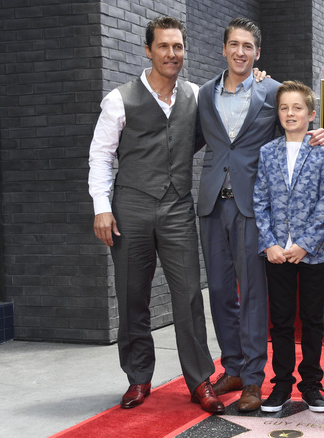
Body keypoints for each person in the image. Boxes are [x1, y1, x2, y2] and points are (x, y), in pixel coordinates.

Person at [87, 16, 223, 413]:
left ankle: (200, 382)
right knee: (132, 298)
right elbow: (99, 155)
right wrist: (102, 208)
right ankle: (138, 379)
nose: (171, 54)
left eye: (178, 47)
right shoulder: (119, 98)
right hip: (130, 207)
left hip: (178, 207)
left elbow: (227, 122)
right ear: (148, 50)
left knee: (189, 299)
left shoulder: (196, 96)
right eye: (163, 46)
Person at [195, 17, 324, 412]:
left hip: (252, 205)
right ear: (223, 49)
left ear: (257, 52)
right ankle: (232, 367)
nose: (240, 52)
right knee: (219, 291)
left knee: (252, 293)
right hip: (210, 202)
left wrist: (319, 135)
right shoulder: (203, 94)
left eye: (248, 46)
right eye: (234, 44)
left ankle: (254, 378)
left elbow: (296, 120)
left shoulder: (272, 91)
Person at [252, 81, 324, 413]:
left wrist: (305, 244)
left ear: (311, 114)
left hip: (314, 252)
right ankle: (282, 385)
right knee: (282, 322)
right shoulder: (267, 151)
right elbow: (260, 201)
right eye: (284, 107)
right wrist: (269, 243)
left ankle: (312, 385)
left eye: (297, 108)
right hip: (276, 254)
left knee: (313, 320)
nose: (290, 113)